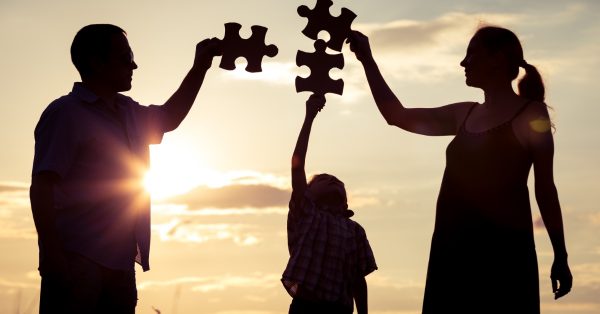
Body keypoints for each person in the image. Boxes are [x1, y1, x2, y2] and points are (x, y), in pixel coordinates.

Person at [347, 25, 573, 313]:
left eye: (471, 54)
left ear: (497, 59)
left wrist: (560, 255)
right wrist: (367, 59)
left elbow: (545, 189)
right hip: (451, 250)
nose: (463, 63)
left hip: (503, 256)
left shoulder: (531, 114)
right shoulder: (463, 113)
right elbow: (397, 115)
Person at [29, 24, 220, 313]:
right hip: (76, 259)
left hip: (120, 264)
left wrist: (200, 68)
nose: (133, 64)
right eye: (124, 56)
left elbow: (169, 118)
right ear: (96, 62)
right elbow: (43, 186)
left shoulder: (129, 111)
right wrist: (51, 254)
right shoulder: (65, 114)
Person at [281, 94, 378, 314]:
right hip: (306, 306)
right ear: (308, 194)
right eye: (322, 180)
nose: (331, 179)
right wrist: (309, 117)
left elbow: (357, 278)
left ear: (345, 203)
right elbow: (297, 166)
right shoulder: (307, 214)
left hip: (340, 310)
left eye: (336, 181)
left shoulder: (355, 230)